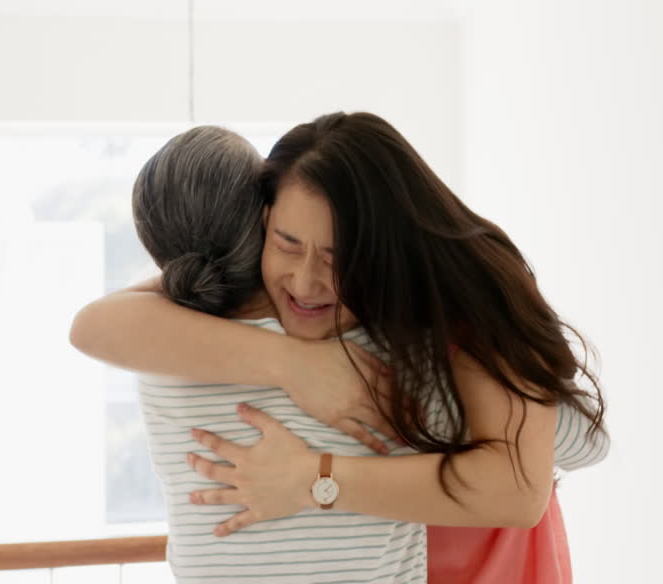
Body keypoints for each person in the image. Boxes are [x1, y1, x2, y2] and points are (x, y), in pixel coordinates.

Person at [71, 115, 607, 583]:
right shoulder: (186, 338)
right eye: (287, 243)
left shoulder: (418, 341)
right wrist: (295, 365)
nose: (306, 283)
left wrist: (312, 477)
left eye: (339, 256)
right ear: (261, 224)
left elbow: (533, 471)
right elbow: (581, 441)